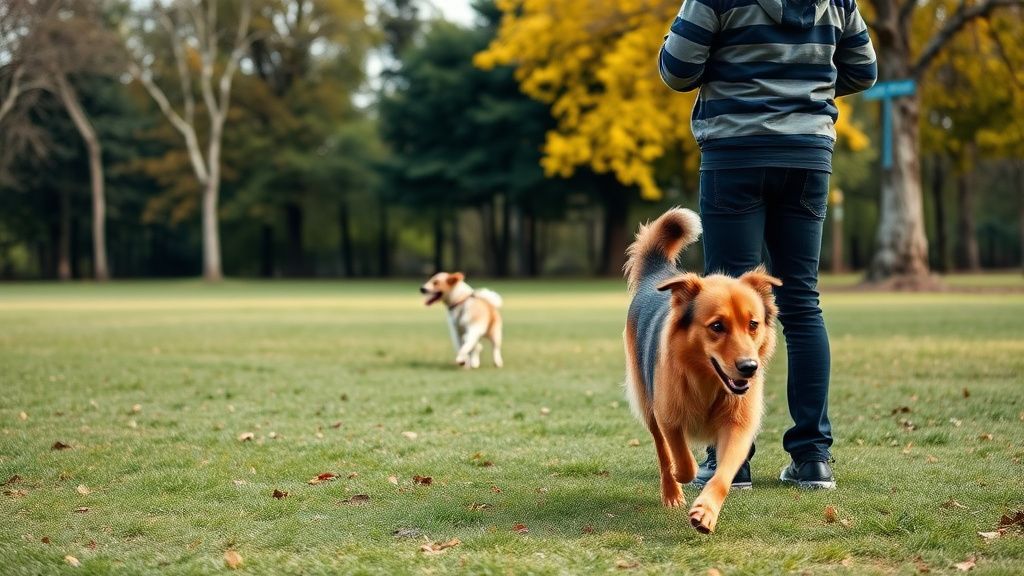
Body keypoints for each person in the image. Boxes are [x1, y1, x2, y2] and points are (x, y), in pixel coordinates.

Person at [658, 0, 877, 489]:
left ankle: (731, 461)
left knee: (725, 305)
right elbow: (863, 71)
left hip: (735, 152)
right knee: (802, 302)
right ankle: (812, 457)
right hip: (807, 153)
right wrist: (802, 92)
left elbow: (676, 70)